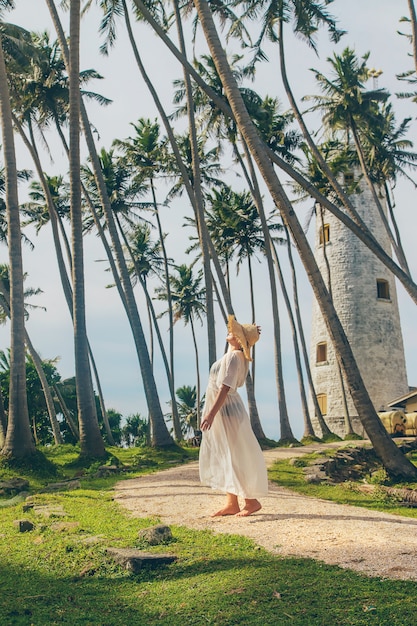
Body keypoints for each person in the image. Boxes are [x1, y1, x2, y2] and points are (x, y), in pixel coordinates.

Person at [199, 314, 269, 517]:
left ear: (239, 340)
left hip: (225, 409)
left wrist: (211, 414)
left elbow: (225, 388)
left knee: (231, 455)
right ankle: (232, 502)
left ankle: (250, 501)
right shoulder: (236, 356)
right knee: (226, 454)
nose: (230, 331)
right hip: (228, 408)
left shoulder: (233, 357)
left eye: (235, 332)